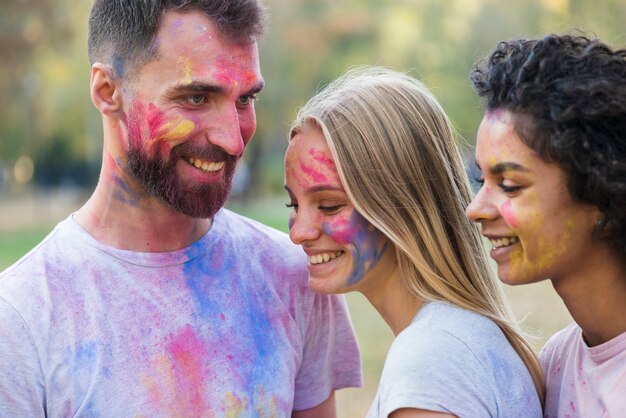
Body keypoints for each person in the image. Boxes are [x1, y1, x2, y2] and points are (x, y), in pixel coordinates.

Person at [0, 1, 362, 416]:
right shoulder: (19, 320)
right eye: (195, 97)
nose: (233, 140)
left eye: (245, 99)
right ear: (107, 91)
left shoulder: (292, 277)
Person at [284, 65, 543, 418]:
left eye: (329, 205)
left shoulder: (431, 361)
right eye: (293, 204)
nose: (298, 231)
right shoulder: (459, 338)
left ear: (399, 204)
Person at [467, 33, 626, 417]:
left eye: (509, 185)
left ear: (603, 194)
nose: (475, 209)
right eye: (480, 181)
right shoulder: (557, 362)